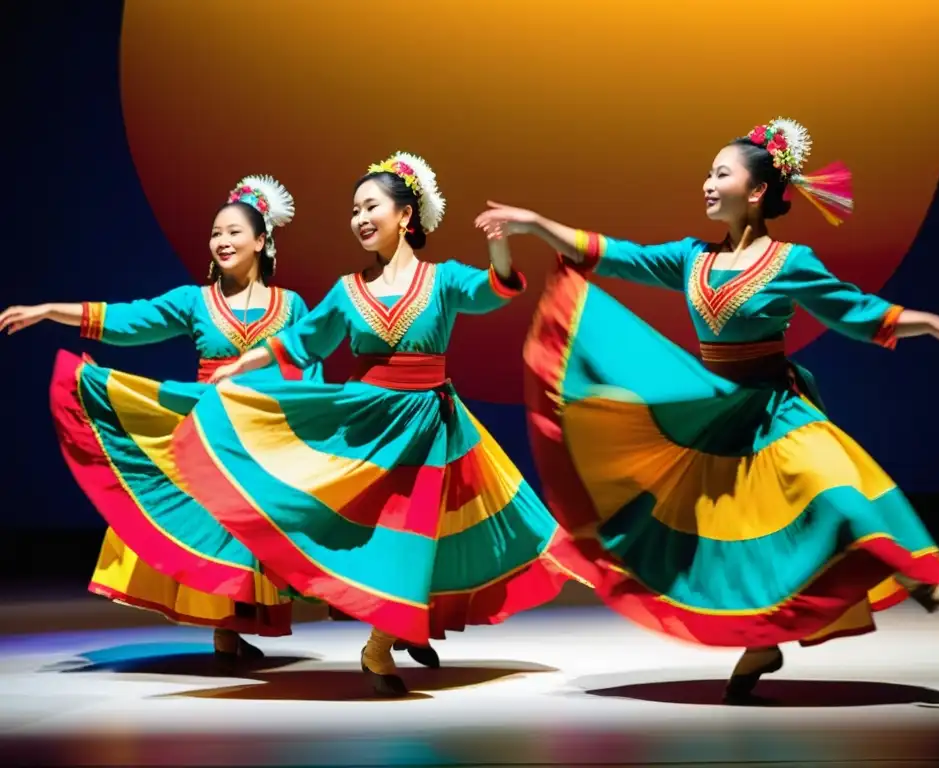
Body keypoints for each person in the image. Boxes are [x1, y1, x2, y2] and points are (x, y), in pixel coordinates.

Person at [474, 117, 939, 704]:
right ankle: (761, 643)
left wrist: (933, 323)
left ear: (759, 190)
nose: (707, 184)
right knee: (733, 542)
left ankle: (930, 576)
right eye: (708, 173)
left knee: (840, 491)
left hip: (778, 409)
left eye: (721, 173)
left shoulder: (791, 261)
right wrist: (536, 225)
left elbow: (857, 311)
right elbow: (613, 256)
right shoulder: (693, 259)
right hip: (717, 418)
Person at [169, 152, 589, 696]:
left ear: (405, 217)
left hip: (430, 427)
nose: (360, 217)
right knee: (367, 535)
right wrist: (241, 365)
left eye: (371, 206)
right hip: (368, 425)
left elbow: (494, 290)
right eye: (354, 209)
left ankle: (380, 646)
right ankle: (392, 627)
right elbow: (303, 340)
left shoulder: (442, 281)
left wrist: (499, 242)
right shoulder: (348, 291)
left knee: (423, 538)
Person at [1, 175, 321, 661]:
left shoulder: (291, 305)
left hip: (261, 434)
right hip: (207, 430)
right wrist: (49, 310)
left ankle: (238, 623)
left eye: (234, 232)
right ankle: (224, 627)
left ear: (262, 240)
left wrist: (308, 427)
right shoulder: (196, 301)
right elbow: (128, 319)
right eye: (215, 233)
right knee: (214, 527)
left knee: (254, 532)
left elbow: (307, 364)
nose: (222, 241)